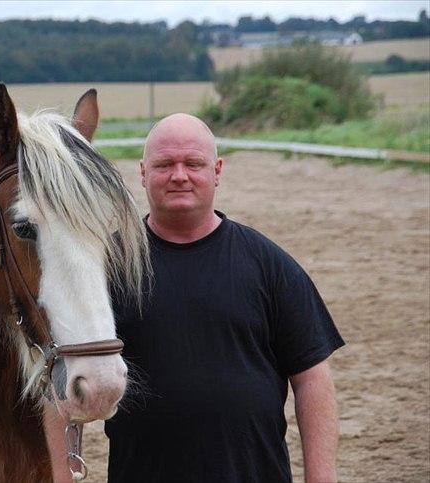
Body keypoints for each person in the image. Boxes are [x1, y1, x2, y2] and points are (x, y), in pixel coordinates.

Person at [46, 113, 344, 483]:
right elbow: (56, 378)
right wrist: (58, 476)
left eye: (193, 164)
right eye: (164, 164)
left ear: (217, 170)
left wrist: (321, 478)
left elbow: (312, 378)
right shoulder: (107, 268)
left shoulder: (270, 265)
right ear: (142, 173)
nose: (179, 175)